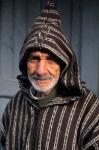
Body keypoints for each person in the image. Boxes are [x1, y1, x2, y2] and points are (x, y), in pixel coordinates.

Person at [0, 1, 99, 150]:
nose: (40, 70)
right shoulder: (15, 104)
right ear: (24, 63)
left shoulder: (87, 106)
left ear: (64, 64)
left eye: (51, 59)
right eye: (34, 59)